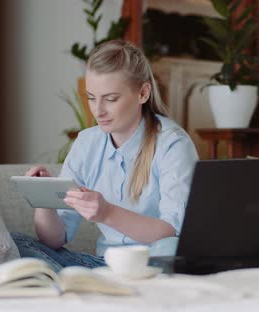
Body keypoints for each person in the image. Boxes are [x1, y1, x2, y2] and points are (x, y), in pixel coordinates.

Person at [11, 39, 199, 272]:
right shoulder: (87, 143)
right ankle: (96, 283)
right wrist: (44, 200)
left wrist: (108, 213)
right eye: (91, 97)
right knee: (15, 243)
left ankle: (89, 286)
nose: (98, 110)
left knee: (172, 248)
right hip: (101, 265)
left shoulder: (172, 144)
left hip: (151, 262)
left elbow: (171, 230)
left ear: (143, 93)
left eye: (110, 99)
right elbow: (55, 239)